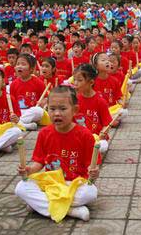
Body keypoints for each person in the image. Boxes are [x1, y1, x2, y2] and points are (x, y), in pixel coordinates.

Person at [15, 86, 99, 222]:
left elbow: (91, 167)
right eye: (52, 109)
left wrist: (94, 173)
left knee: (90, 193)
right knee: (21, 188)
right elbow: (40, 162)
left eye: (63, 109)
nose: (57, 113)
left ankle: (41, 206)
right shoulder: (44, 133)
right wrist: (29, 170)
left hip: (74, 184)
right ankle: (71, 210)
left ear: (75, 110)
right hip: (51, 183)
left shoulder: (85, 135)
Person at [73, 64, 113, 153]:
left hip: (96, 138)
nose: (75, 83)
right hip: (79, 137)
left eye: (79, 80)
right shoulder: (74, 100)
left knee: (102, 146)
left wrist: (103, 133)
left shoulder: (100, 101)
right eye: (74, 79)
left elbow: (107, 123)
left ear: (91, 82)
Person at [9, 54, 46, 130]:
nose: (19, 66)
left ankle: (18, 124)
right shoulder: (13, 84)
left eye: (23, 64)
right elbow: (12, 102)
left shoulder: (38, 82)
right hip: (19, 112)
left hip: (32, 111)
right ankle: (25, 125)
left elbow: (45, 98)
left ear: (31, 69)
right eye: (18, 64)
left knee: (38, 110)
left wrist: (43, 102)